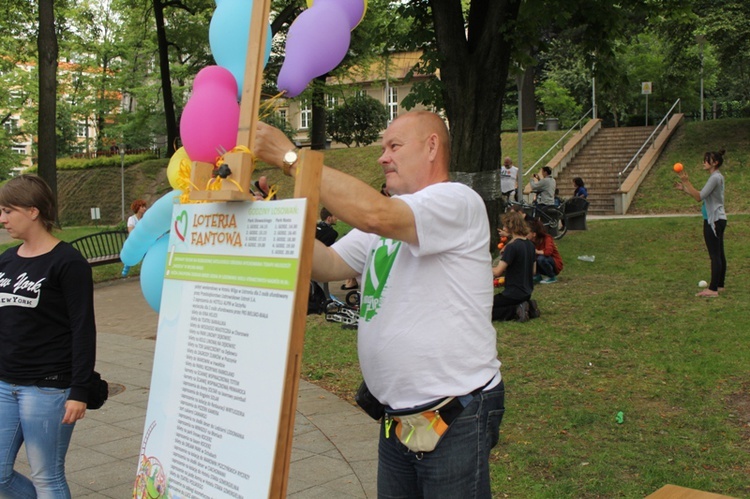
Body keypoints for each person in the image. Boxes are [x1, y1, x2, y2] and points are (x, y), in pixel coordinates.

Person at [255, 111, 504, 498]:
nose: (382, 157)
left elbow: (375, 214)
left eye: (394, 146)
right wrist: (263, 218)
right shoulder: (394, 219)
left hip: (456, 416)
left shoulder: (456, 201)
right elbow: (327, 265)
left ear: (432, 146)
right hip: (397, 419)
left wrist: (291, 158)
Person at [0, 174, 97, 498]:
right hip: (4, 384)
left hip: (49, 388)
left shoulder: (68, 263)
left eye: (7, 211)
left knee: (47, 478)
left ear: (32, 211)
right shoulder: (6, 261)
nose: (2, 219)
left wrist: (79, 390)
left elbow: (83, 328)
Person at [674, 150, 727, 298]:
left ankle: (713, 289)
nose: (704, 162)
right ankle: (719, 285)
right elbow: (702, 195)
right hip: (718, 219)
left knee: (715, 255)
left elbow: (699, 197)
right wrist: (685, 189)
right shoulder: (717, 177)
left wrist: (686, 182)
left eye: (706, 160)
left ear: (715, 163)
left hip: (713, 220)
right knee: (719, 253)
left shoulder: (715, 178)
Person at [491, 211, 539, 322]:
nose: (503, 227)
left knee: (484, 309)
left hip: (512, 293)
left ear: (510, 226)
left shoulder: (512, 247)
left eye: (505, 225)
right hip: (526, 292)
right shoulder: (530, 245)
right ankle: (529, 307)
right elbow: (533, 271)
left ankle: (516, 310)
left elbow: (497, 272)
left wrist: (483, 269)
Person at [528, 218, 563, 284]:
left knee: (541, 258)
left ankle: (552, 277)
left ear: (534, 234)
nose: (525, 234)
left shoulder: (547, 238)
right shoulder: (529, 241)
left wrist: (536, 251)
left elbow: (548, 252)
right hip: (540, 263)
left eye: (527, 233)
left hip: (554, 264)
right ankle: (537, 276)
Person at [121, 199, 147, 277]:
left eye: (145, 207)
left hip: (144, 241)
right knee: (132, 251)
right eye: (142, 207)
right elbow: (131, 232)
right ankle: (126, 267)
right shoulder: (131, 219)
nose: (144, 208)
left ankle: (145, 270)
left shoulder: (145, 219)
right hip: (135, 241)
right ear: (137, 208)